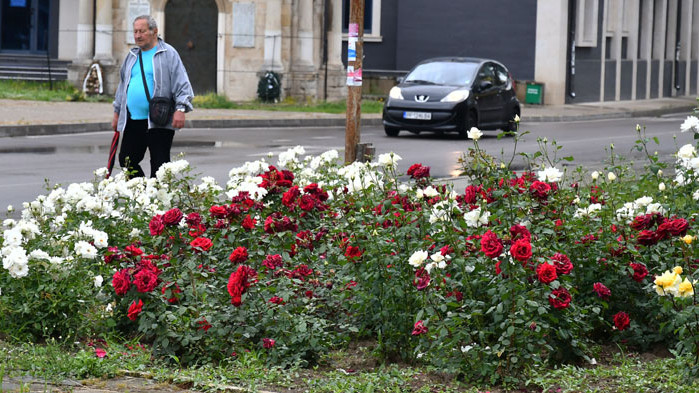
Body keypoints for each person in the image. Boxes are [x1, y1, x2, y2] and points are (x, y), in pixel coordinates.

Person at [111, 15, 194, 178]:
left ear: (154, 31)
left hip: (159, 120)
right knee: (127, 161)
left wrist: (180, 109)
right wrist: (117, 112)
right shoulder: (132, 56)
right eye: (135, 31)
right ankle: (142, 194)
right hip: (133, 120)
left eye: (141, 31)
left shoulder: (168, 53)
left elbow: (181, 82)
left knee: (160, 166)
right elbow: (122, 86)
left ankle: (158, 200)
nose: (137, 35)